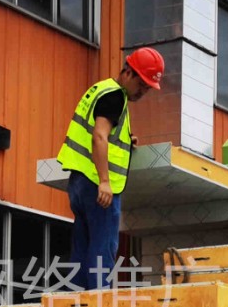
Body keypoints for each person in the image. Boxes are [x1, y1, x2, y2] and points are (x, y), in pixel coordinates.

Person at [56, 47, 164, 289]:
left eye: (148, 88)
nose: (143, 91)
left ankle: (77, 300)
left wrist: (125, 139)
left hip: (80, 181)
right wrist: (104, 181)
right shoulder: (115, 97)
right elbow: (99, 136)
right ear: (128, 72)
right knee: (103, 247)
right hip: (98, 185)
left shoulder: (102, 89)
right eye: (142, 84)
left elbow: (102, 132)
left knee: (83, 246)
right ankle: (99, 301)